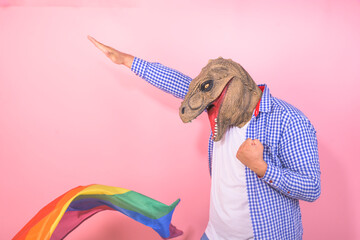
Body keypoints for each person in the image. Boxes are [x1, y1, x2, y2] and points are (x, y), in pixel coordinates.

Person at [88, 36, 321, 240]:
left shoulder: (290, 121)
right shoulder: (218, 101)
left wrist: (262, 167)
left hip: (264, 234)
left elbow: (312, 188)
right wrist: (126, 60)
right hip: (216, 233)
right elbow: (179, 83)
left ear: (235, 87)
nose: (209, 107)